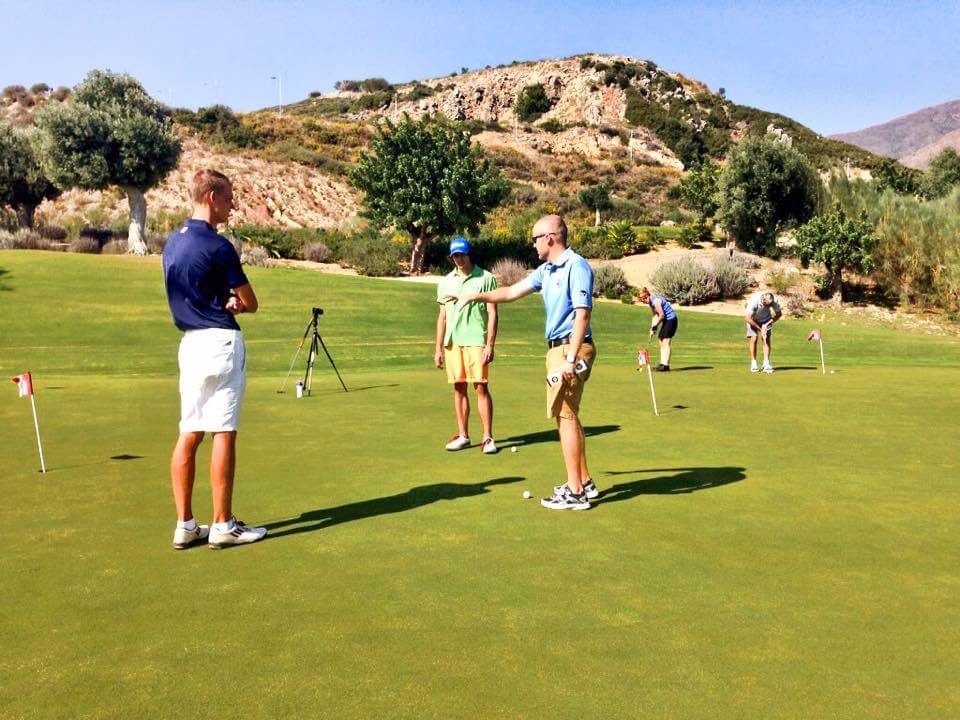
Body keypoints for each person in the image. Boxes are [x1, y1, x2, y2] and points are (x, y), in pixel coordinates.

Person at [444, 214, 598, 510]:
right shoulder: (547, 269)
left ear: (550, 238)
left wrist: (570, 359)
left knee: (565, 415)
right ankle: (584, 482)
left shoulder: (575, 265)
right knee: (567, 415)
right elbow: (511, 292)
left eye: (535, 238)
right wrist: (474, 296)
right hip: (558, 349)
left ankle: (576, 492)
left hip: (571, 348)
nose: (533, 244)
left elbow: (582, 314)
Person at [162, 169, 267, 549]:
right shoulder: (218, 245)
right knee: (223, 431)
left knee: (189, 431)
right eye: (228, 198)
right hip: (220, 342)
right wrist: (237, 304)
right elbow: (251, 302)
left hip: (189, 344)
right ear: (211, 196)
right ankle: (222, 525)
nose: (232, 205)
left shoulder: (172, 242)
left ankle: (185, 525)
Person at [434, 236, 499, 454]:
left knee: (480, 387)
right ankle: (463, 435)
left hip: (476, 339)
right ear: (451, 257)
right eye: (455, 256)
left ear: (469, 254)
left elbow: (492, 313)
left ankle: (487, 437)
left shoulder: (485, 277)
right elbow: (442, 317)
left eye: (462, 254)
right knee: (458, 387)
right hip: (453, 341)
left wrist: (490, 344)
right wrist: (438, 349)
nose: (459, 259)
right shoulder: (446, 282)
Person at [636, 287, 677, 371]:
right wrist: (652, 328)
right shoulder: (651, 302)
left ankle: (666, 365)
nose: (643, 302)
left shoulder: (655, 301)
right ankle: (662, 364)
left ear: (646, 296)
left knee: (666, 342)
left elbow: (661, 315)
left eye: (642, 300)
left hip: (671, 320)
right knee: (660, 339)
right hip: (666, 321)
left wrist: (655, 326)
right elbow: (655, 315)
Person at [744, 290, 782, 373]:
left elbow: (779, 314)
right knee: (754, 337)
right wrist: (760, 329)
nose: (764, 306)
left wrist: (767, 324)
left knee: (766, 339)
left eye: (767, 305)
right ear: (761, 298)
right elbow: (747, 318)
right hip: (752, 319)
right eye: (764, 304)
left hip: (765, 319)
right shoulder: (754, 301)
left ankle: (766, 363)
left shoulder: (773, 301)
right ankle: (753, 363)